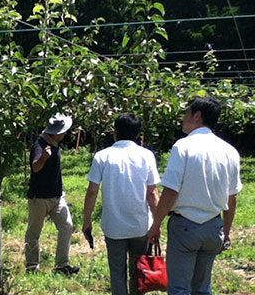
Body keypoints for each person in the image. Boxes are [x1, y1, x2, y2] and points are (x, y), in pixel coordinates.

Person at [147, 97, 243, 295]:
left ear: (197, 116)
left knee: (180, 288)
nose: (183, 118)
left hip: (185, 227)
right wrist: (225, 233)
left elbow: (170, 191)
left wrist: (155, 225)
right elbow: (232, 198)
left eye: (186, 113)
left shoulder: (183, 147)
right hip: (213, 227)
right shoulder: (230, 151)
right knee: (202, 287)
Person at [83, 112, 160, 295]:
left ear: (114, 132)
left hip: (114, 227)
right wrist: (157, 223)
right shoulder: (146, 155)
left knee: (117, 273)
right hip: (140, 225)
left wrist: (87, 220)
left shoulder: (102, 156)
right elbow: (152, 193)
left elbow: (92, 191)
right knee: (138, 272)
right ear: (139, 135)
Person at [24, 113, 79, 275]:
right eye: (63, 131)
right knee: (34, 233)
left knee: (67, 226)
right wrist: (44, 158)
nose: (65, 134)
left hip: (56, 197)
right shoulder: (39, 146)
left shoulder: (54, 143)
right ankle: (32, 267)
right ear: (55, 132)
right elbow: (35, 167)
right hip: (39, 198)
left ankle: (62, 265)